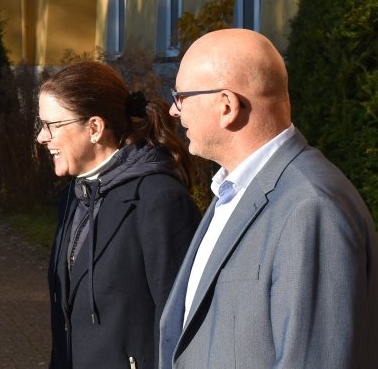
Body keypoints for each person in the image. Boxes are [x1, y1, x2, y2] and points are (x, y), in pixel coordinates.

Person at [159, 29, 378, 368]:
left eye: (181, 96)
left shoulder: (311, 208)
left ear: (227, 106)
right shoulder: (234, 188)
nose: (174, 111)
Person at [37, 61, 200, 369]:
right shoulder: (75, 195)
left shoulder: (158, 200)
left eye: (51, 125)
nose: (41, 137)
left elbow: (180, 324)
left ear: (95, 128)